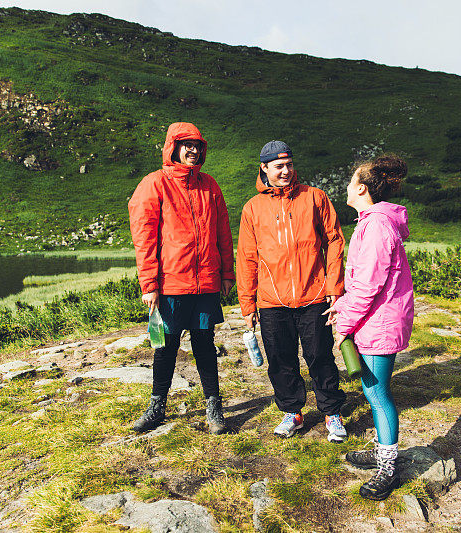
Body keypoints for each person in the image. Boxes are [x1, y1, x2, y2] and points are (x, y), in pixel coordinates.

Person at [237, 140, 348, 442]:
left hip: (314, 296)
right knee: (281, 361)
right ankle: (292, 412)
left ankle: (332, 413)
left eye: (289, 165)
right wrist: (248, 307)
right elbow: (246, 258)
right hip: (272, 301)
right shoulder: (252, 209)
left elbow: (335, 240)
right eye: (278, 166)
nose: (286, 171)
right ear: (264, 168)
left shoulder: (315, 198)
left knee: (320, 357)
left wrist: (334, 286)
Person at [128, 122, 235, 435]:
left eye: (197, 145)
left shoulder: (210, 185)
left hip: (205, 285)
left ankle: (214, 408)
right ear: (172, 147)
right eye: (186, 144)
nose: (193, 150)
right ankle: (157, 407)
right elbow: (144, 238)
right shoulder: (154, 185)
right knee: (166, 346)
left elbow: (223, 233)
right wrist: (149, 285)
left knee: (205, 344)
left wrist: (227, 272)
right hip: (170, 284)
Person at [324, 154, 414, 500]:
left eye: (350, 182)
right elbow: (363, 282)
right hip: (374, 320)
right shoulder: (372, 221)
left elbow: (368, 286)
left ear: (361, 189)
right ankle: (381, 452)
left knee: (377, 394)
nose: (346, 187)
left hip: (379, 325)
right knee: (372, 391)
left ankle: (388, 466)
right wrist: (343, 307)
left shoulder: (376, 226)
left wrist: (344, 323)